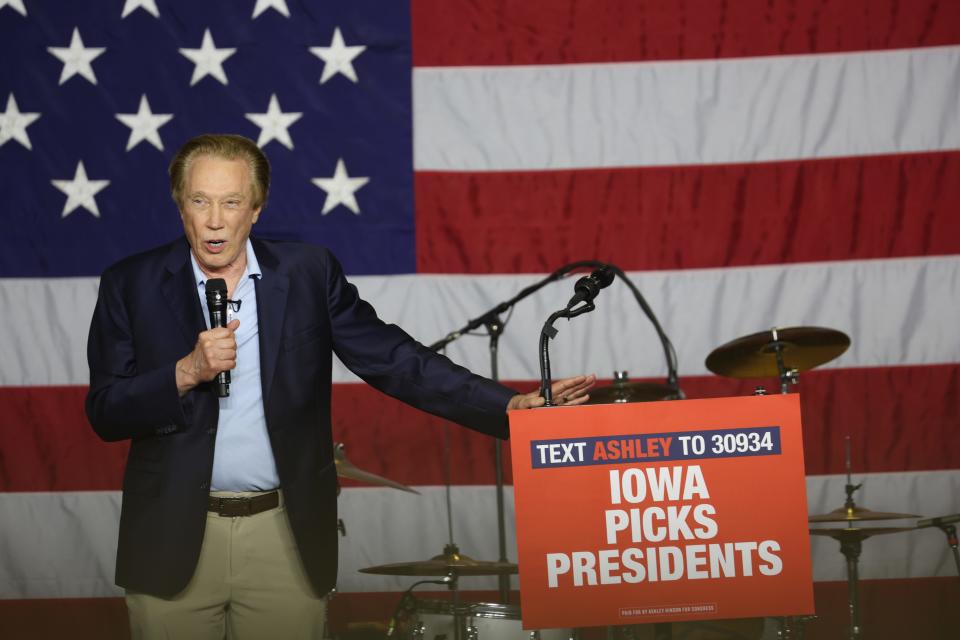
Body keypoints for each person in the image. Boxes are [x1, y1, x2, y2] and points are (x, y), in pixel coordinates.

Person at [85, 133, 594, 639]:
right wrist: (185, 373)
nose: (215, 220)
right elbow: (106, 411)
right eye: (200, 201)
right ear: (180, 206)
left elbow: (397, 361)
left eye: (231, 202)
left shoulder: (308, 273)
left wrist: (508, 405)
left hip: (282, 536)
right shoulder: (131, 283)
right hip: (170, 537)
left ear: (256, 209)